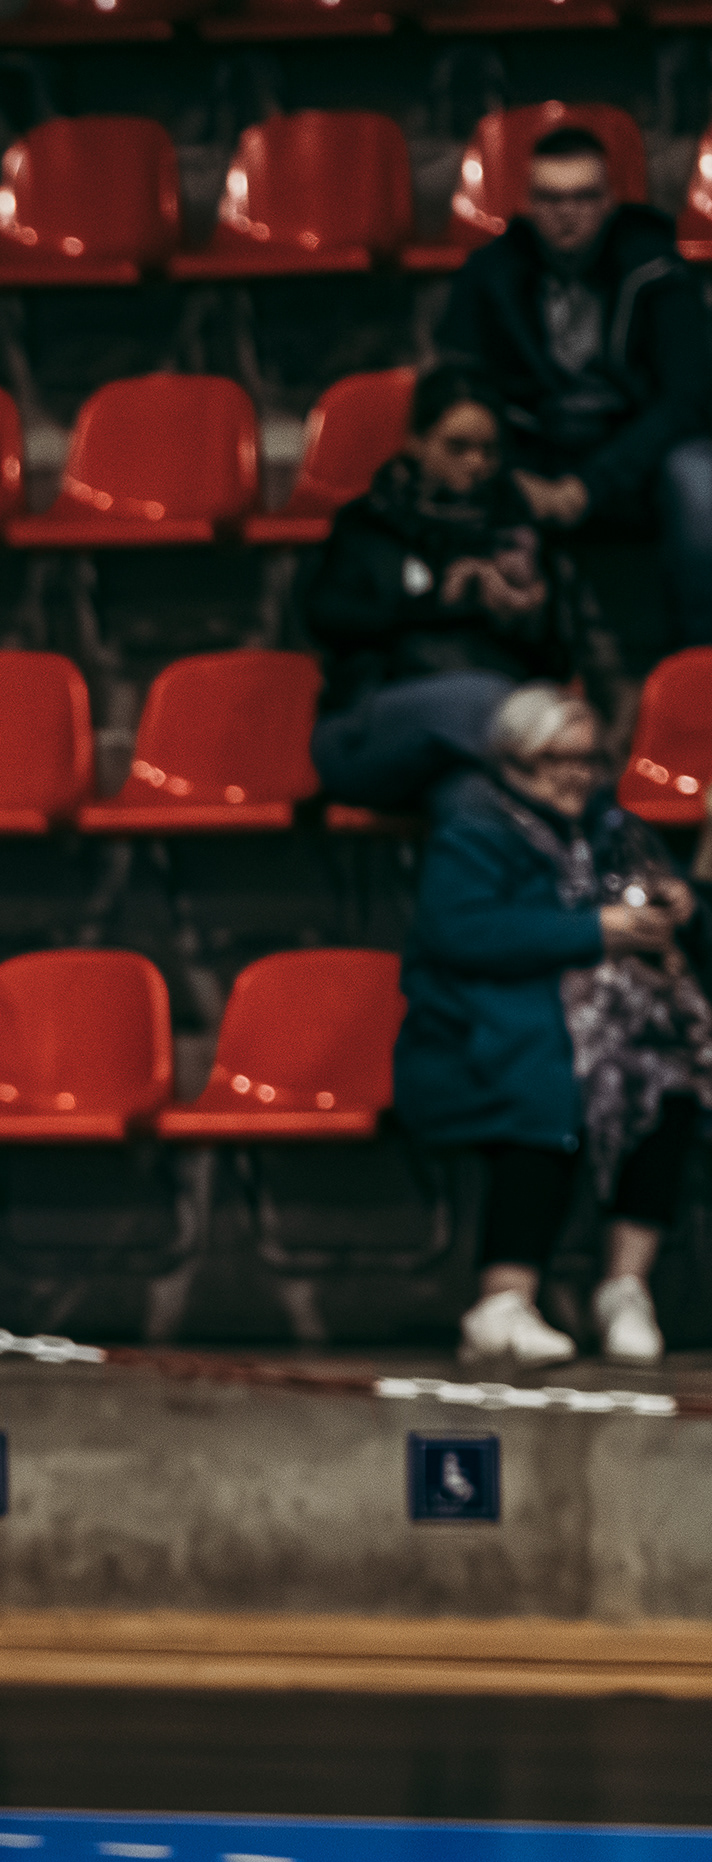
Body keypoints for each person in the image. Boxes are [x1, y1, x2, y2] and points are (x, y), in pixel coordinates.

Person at [398, 682, 710, 1364]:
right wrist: (595, 930)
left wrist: (683, 903)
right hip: (476, 1023)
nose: (576, 775)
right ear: (512, 760)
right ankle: (502, 1301)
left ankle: (624, 1288)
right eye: (556, 759)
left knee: (663, 1075)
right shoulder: (474, 827)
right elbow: (462, 933)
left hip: (599, 1016)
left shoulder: (613, 827)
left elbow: (678, 909)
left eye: (588, 759)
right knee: (547, 1078)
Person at [437, 122, 712, 648]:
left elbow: (687, 399)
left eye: (584, 197)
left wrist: (589, 486)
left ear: (609, 202)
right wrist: (512, 471)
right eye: (551, 198)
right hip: (535, 448)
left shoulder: (655, 268)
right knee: (452, 459)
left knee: (700, 478)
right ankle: (485, 664)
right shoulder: (490, 274)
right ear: (527, 204)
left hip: (635, 449)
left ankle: (700, 663)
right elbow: (463, 387)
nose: (568, 212)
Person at [306, 365, 584, 810]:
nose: (476, 464)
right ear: (417, 442)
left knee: (473, 803)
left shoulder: (518, 535)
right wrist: (442, 598)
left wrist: (526, 614)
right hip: (373, 722)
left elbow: (557, 658)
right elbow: (328, 618)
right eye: (457, 447)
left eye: (489, 451)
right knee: (485, 701)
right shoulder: (369, 522)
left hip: (485, 743)